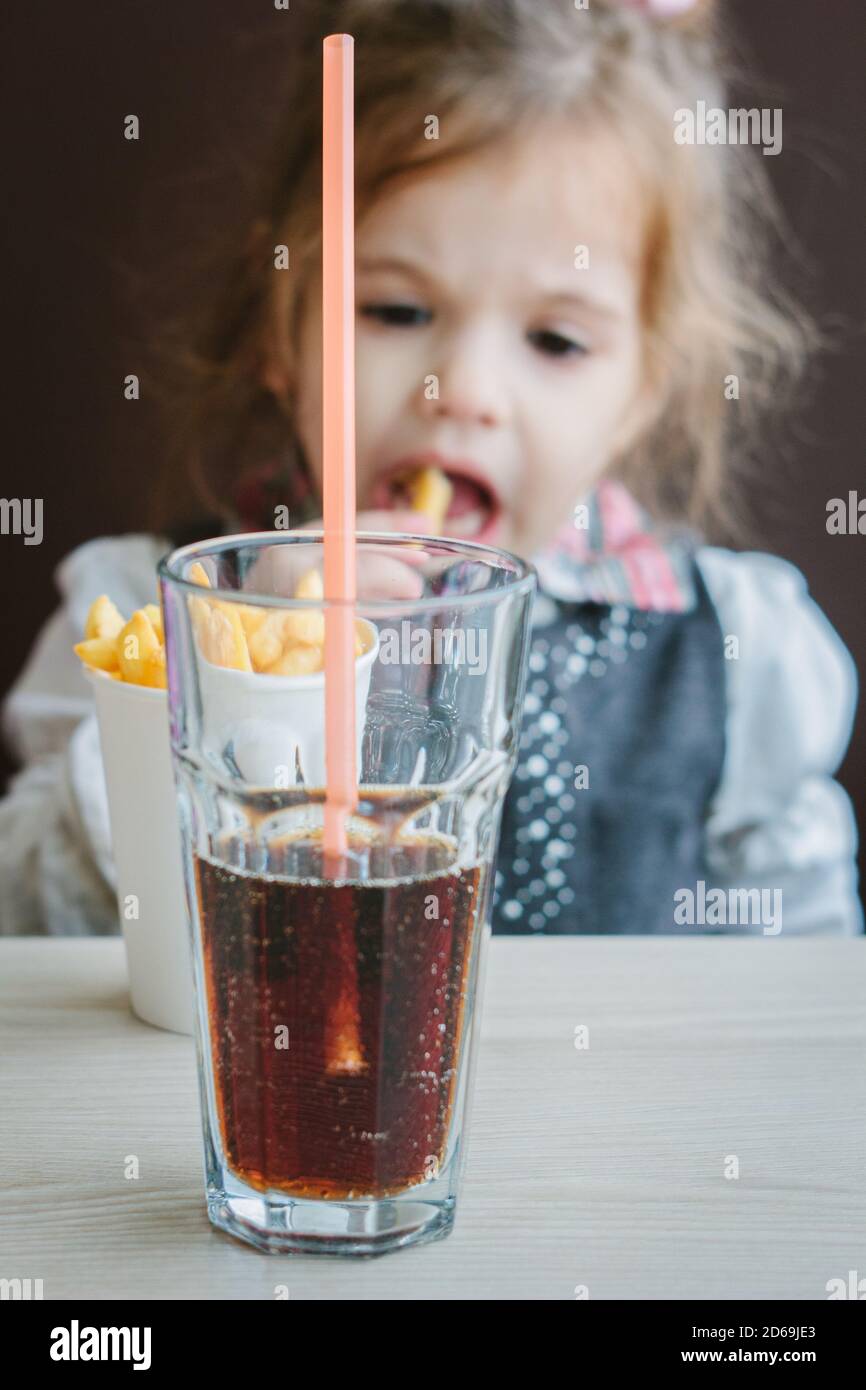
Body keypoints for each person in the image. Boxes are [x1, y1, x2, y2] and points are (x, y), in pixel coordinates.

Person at [1, 0, 860, 935]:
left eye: (557, 339)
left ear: (644, 391)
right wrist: (244, 673)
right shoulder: (139, 619)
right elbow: (34, 931)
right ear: (282, 325)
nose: (464, 390)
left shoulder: (739, 653)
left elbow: (807, 983)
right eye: (398, 313)